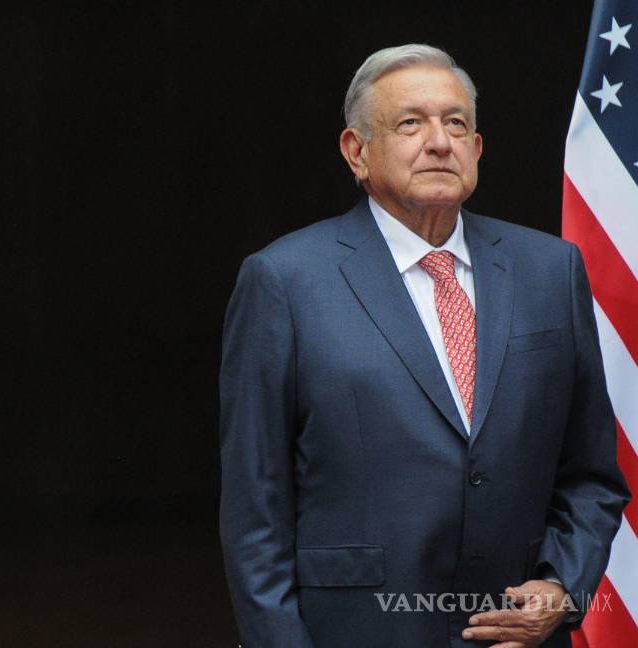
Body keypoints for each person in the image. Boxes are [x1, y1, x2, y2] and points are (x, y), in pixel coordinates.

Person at [219, 44, 629, 648]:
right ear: (356, 151)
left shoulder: (550, 270)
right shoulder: (285, 280)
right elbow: (256, 510)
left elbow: (592, 474)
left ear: (477, 149)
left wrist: (562, 586)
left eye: (456, 123)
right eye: (410, 123)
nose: (440, 142)